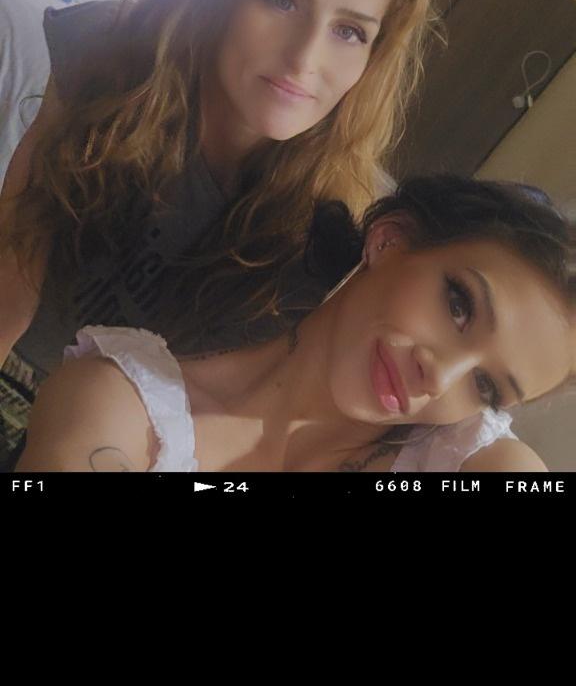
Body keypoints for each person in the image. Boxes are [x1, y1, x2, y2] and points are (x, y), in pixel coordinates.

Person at [0, 0, 439, 467]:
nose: (304, 60)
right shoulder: (110, 58)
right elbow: (15, 262)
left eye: (349, 31)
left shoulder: (335, 232)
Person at [14, 175, 575, 473]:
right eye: (459, 305)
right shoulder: (120, 404)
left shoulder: (465, 458)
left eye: (486, 386)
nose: (440, 377)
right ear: (390, 240)